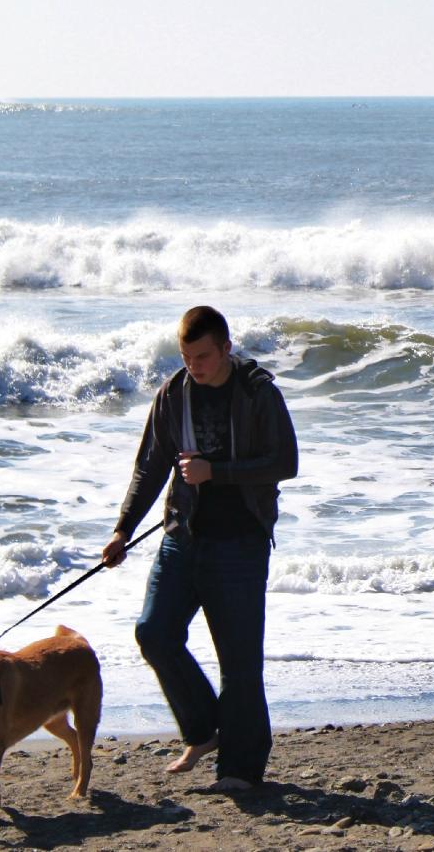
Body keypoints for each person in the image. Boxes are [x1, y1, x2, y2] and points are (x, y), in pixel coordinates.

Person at [103, 306, 298, 792]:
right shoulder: (173, 394)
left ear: (226, 348)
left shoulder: (258, 394)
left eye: (203, 356)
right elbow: (150, 467)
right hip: (182, 537)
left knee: (239, 664)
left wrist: (218, 472)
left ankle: (240, 770)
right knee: (154, 632)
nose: (195, 366)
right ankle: (205, 730)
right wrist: (122, 530)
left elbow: (286, 462)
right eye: (187, 357)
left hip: (240, 543)